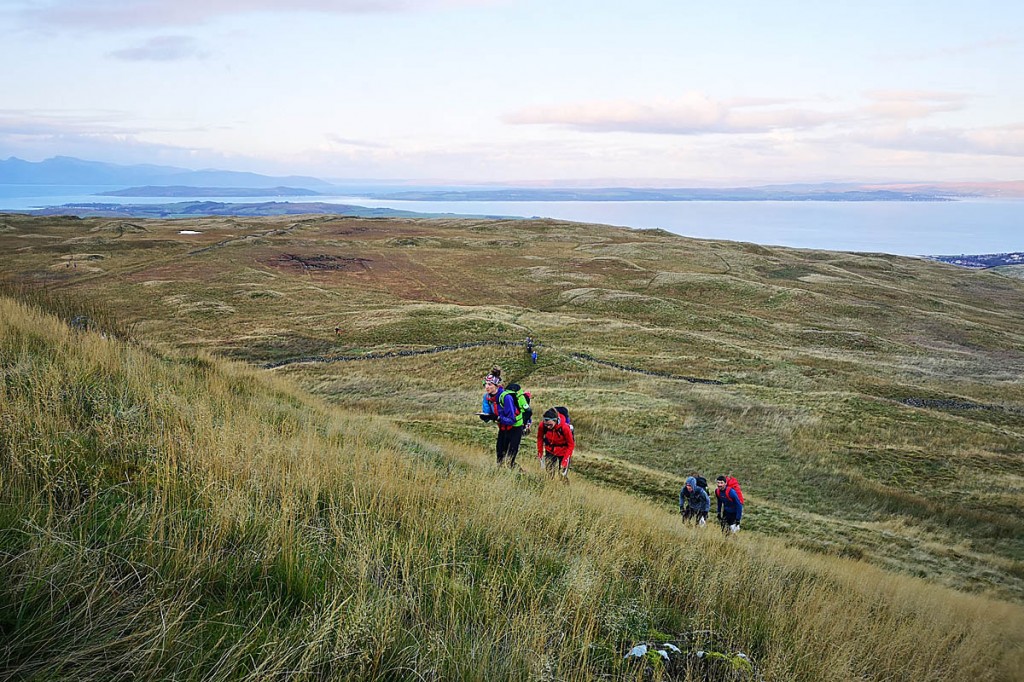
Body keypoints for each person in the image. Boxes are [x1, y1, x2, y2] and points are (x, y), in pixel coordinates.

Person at [484, 375, 525, 468]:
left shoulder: (506, 398)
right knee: (499, 458)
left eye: (490, 384)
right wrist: (487, 417)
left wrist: (498, 418)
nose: (487, 387)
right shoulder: (489, 397)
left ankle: (520, 477)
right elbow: (492, 414)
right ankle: (501, 477)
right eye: (485, 384)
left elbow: (511, 420)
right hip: (503, 429)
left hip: (515, 428)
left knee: (510, 459)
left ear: (496, 386)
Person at [537, 407, 575, 481]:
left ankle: (566, 491)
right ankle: (550, 488)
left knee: (562, 475)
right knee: (549, 473)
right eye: (546, 425)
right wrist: (540, 454)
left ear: (556, 420)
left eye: (550, 425)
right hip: (550, 450)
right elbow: (540, 439)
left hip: (563, 452)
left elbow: (571, 445)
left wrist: (564, 462)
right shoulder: (542, 426)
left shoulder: (565, 428)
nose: (548, 427)